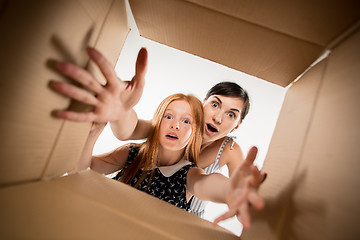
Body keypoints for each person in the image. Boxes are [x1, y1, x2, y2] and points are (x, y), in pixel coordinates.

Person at [51, 47, 265, 229]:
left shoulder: (215, 158)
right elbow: (128, 129)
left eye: (231, 114)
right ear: (203, 105)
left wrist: (234, 192)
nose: (218, 118)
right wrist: (113, 116)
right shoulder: (138, 149)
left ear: (236, 124)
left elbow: (208, 184)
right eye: (215, 105)